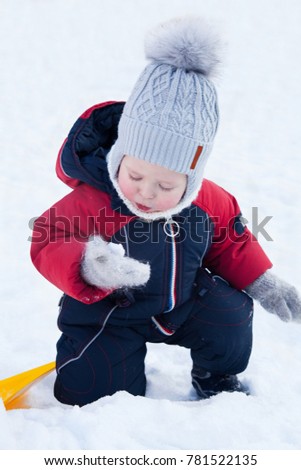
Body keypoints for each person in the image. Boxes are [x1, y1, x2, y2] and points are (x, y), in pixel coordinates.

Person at [31, 17, 301, 406]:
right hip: (109, 314)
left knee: (231, 313)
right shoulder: (94, 201)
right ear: (120, 157)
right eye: (135, 175)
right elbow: (48, 238)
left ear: (191, 180)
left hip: (182, 305)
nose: (145, 192)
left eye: (166, 186)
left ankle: (215, 375)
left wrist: (263, 282)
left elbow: (231, 241)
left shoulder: (209, 201)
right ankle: (104, 378)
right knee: (94, 391)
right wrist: (89, 266)